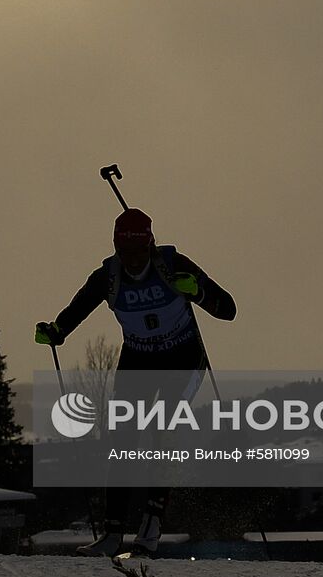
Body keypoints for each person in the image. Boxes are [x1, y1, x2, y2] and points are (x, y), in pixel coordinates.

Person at [35, 207, 236, 557]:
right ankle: (113, 534)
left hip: (183, 359)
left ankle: (151, 524)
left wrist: (199, 293)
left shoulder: (173, 266)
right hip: (139, 358)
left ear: (150, 246)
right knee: (124, 439)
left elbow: (228, 309)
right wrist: (56, 331)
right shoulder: (108, 276)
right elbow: (78, 308)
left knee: (162, 427)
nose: (131, 261)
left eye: (138, 253)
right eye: (124, 253)